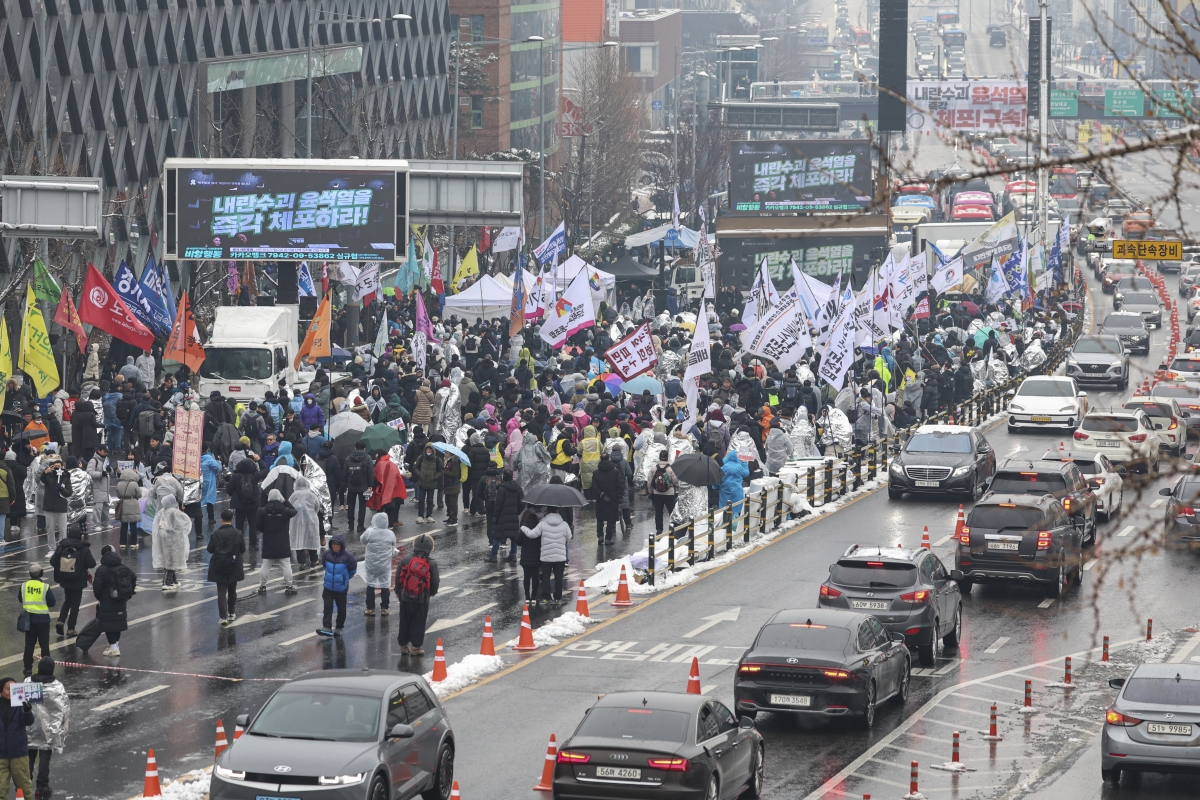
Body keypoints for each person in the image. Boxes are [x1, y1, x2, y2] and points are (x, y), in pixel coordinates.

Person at [25, 657, 68, 798]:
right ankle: (41, 786)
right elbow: (63, 708)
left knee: (29, 757)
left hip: (30, 726)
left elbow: (21, 703)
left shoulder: (28, 682)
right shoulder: (57, 686)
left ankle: (26, 783)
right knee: (44, 757)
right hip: (48, 729)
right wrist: (62, 729)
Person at [395, 533, 439, 656]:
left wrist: (398, 592)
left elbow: (398, 577)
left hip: (405, 596)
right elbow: (435, 582)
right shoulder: (432, 563)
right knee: (419, 622)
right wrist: (431, 593)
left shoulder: (405, 559)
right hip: (422, 599)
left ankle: (404, 646)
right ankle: (416, 647)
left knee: (404, 620)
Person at [91, 544, 135, 657]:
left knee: (108, 624)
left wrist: (100, 597)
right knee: (118, 623)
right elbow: (133, 577)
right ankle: (115, 645)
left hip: (107, 601)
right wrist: (129, 593)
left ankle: (114, 648)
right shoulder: (121, 566)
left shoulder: (101, 569)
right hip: (121, 599)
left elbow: (97, 586)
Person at [521, 509, 572, 606]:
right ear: (558, 511)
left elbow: (532, 535)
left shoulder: (542, 524)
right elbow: (569, 537)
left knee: (546, 577)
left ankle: (547, 597)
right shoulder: (564, 524)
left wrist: (523, 528)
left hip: (546, 556)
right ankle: (558, 598)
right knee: (559, 577)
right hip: (560, 556)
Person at [49, 532, 94, 637]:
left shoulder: (62, 546)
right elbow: (92, 563)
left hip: (65, 579)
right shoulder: (83, 548)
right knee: (75, 604)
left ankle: (61, 620)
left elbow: (53, 561)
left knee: (67, 600)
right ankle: (71, 628)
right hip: (78, 580)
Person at [207, 510, 246, 625]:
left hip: (219, 565)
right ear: (232, 519)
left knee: (221, 591)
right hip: (234, 565)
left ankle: (223, 617)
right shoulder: (238, 534)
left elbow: (210, 550)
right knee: (232, 589)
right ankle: (231, 613)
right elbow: (242, 549)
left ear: (221, 519)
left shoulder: (215, 534)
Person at [257, 490, 297, 596]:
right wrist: (285, 501)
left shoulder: (263, 511)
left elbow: (258, 525)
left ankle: (262, 586)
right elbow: (294, 511)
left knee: (265, 565)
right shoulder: (285, 511)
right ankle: (289, 586)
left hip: (268, 541)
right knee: (286, 565)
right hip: (282, 541)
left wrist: (266, 530)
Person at [0, 677, 34, 798]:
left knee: (24, 789)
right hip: (1, 755)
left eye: (14, 689)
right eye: (8, 689)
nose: (11, 692)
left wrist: (27, 710)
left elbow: (28, 721)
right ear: (1, 691)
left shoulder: (20, 704)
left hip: (18, 753)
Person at [316, 534, 357, 637]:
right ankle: (327, 627)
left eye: (337, 545)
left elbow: (352, 571)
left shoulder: (348, 557)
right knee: (327, 607)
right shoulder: (326, 555)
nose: (335, 546)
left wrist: (344, 579)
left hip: (341, 589)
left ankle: (339, 627)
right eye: (333, 544)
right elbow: (325, 566)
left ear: (341, 546)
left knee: (341, 609)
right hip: (328, 588)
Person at [18, 566, 55, 677]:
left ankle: (28, 668)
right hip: (43, 619)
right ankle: (46, 668)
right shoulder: (45, 587)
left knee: (29, 644)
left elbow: (20, 599)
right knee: (44, 645)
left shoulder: (24, 586)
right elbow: (52, 602)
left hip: (29, 619)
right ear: (41, 573)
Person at [361, 513, 397, 616]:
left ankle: (370, 608)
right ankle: (385, 608)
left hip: (371, 564)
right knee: (385, 585)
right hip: (384, 565)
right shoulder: (390, 534)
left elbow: (362, 540)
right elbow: (393, 543)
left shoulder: (370, 532)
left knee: (370, 584)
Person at [151, 496, 190, 590]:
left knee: (169, 559)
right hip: (175, 539)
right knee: (173, 560)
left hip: (165, 539)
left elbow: (157, 524)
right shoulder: (174, 512)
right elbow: (186, 521)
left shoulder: (162, 511)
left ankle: (173, 580)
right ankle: (167, 582)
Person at [228, 456, 264, 551]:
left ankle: (239, 545)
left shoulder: (236, 476)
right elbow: (265, 469)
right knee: (252, 524)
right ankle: (253, 544)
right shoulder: (255, 475)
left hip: (239, 504)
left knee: (239, 525)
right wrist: (259, 460)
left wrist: (236, 495)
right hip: (253, 503)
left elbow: (229, 489)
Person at [289, 475, 322, 569]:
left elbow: (289, 506)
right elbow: (317, 506)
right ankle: (314, 560)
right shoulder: (311, 494)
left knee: (298, 539)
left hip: (296, 520)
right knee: (311, 538)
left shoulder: (293, 495)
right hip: (311, 519)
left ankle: (301, 561)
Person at [491, 469, 522, 563]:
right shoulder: (518, 488)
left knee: (497, 536)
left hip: (502, 517)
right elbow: (522, 502)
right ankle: (513, 555)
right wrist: (517, 511)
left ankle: (493, 555)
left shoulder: (502, 489)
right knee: (514, 537)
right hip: (513, 517)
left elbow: (498, 504)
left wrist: (495, 516)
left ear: (504, 476)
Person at [591, 452, 622, 544]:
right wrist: (620, 496)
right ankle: (608, 538)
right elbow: (620, 484)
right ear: (609, 458)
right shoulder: (615, 471)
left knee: (600, 518)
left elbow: (594, 486)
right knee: (610, 518)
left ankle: (600, 536)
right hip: (612, 498)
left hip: (600, 499)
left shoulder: (596, 473)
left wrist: (602, 494)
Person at [343, 441, 375, 533]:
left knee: (351, 505)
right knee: (362, 506)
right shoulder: (368, 458)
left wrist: (344, 485)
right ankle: (360, 526)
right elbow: (370, 473)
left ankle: (350, 525)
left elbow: (345, 473)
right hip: (363, 485)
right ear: (364, 448)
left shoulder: (348, 458)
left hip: (351, 485)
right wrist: (370, 485)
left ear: (355, 448)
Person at [368, 449, 405, 527]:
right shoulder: (392, 464)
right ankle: (390, 525)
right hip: (391, 490)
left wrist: (373, 487)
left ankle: (379, 525)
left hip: (381, 490)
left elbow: (377, 477)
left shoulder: (379, 464)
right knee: (390, 509)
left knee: (380, 509)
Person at [39, 459, 71, 546]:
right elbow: (42, 479)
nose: (57, 468)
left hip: (61, 507)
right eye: (55, 466)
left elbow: (69, 493)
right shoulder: (49, 476)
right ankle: (52, 548)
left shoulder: (66, 477)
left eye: (59, 466)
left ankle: (62, 547)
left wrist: (62, 489)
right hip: (49, 506)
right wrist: (45, 472)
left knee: (63, 530)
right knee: (50, 530)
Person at [647, 451, 678, 537]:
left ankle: (659, 530)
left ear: (659, 457)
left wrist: (651, 492)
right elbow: (675, 482)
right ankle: (672, 528)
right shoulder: (670, 469)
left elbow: (649, 482)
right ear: (667, 457)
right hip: (669, 494)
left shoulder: (654, 468)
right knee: (672, 512)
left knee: (658, 512)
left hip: (657, 493)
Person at [85, 444, 111, 536]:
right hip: (97, 487)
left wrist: (110, 469)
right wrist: (101, 474)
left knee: (105, 507)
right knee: (98, 508)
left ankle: (105, 523)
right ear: (99, 450)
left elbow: (107, 471)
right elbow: (89, 472)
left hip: (105, 488)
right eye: (104, 451)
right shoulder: (94, 460)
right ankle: (95, 524)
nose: (106, 453)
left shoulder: (106, 460)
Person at [412, 443, 439, 523]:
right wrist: (419, 474)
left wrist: (435, 477)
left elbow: (441, 470)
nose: (428, 451)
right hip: (422, 482)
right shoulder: (421, 458)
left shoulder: (437, 459)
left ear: (432, 450)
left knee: (430, 500)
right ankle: (420, 516)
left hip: (431, 483)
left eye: (430, 449)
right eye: (427, 449)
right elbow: (415, 467)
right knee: (421, 500)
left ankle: (429, 516)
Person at [115, 468, 142, 548]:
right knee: (133, 524)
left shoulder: (119, 484)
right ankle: (133, 543)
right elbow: (139, 495)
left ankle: (122, 543)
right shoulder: (134, 484)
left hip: (123, 503)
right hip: (133, 503)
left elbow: (118, 495)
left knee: (124, 524)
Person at [200, 446, 221, 527]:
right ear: (206, 449)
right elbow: (216, 467)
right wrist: (214, 473)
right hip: (209, 481)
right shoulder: (208, 458)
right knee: (209, 500)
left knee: (198, 499)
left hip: (198, 481)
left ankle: (198, 517)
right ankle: (211, 518)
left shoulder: (196, 458)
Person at [441, 451, 462, 525]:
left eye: (447, 453)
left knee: (453, 503)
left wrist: (444, 471)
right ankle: (450, 517)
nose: (445, 454)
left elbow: (454, 474)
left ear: (451, 455)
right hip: (448, 486)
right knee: (448, 502)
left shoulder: (454, 463)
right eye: (445, 453)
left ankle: (454, 519)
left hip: (453, 486)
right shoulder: (447, 462)